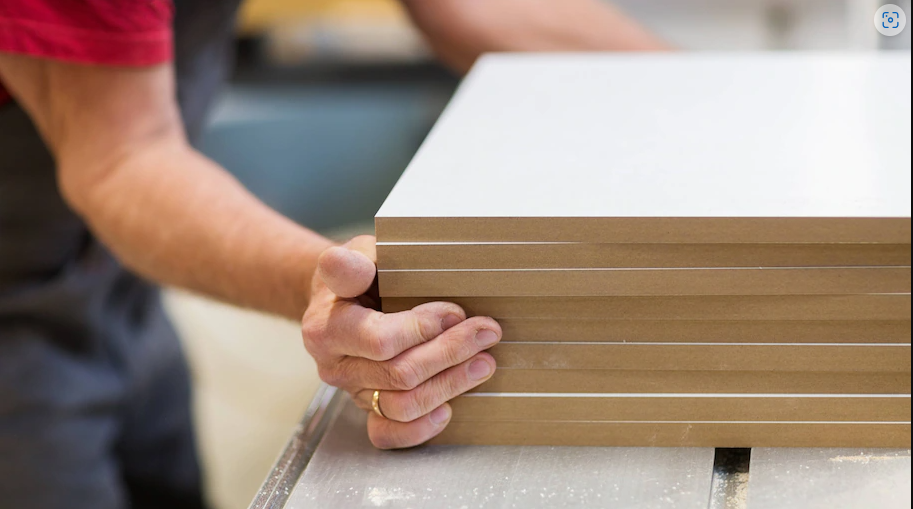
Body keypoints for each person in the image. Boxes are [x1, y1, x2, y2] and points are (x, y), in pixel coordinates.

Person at [0, 1, 666, 507]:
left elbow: (467, 9)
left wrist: (715, 90)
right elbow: (121, 158)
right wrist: (335, 290)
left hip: (115, 291)